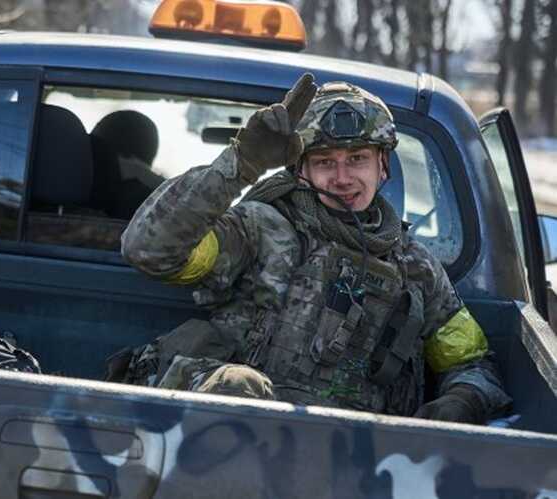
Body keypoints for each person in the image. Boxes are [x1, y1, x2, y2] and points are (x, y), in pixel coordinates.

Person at [119, 74, 510, 423]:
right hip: (226, 441)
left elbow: (471, 362)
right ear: (300, 170)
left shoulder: (416, 267)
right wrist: (242, 163)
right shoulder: (260, 228)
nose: (342, 178)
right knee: (238, 385)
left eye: (357, 159)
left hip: (347, 458)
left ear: (383, 165)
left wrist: (463, 399)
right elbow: (149, 249)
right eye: (325, 162)